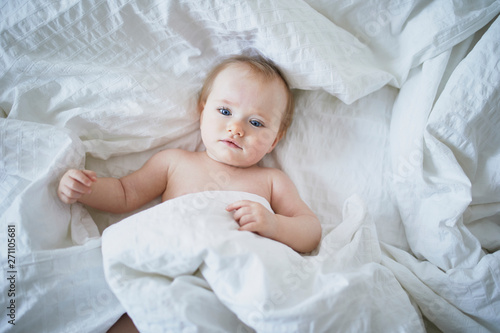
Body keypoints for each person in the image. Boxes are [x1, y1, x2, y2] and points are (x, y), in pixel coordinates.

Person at [57, 55, 322, 253]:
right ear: (203, 110)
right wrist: (86, 190)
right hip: (175, 258)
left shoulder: (272, 181)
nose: (236, 128)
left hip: (238, 267)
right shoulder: (174, 163)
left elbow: (310, 230)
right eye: (225, 112)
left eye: (255, 123)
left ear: (274, 140)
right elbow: (126, 193)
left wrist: (274, 224)